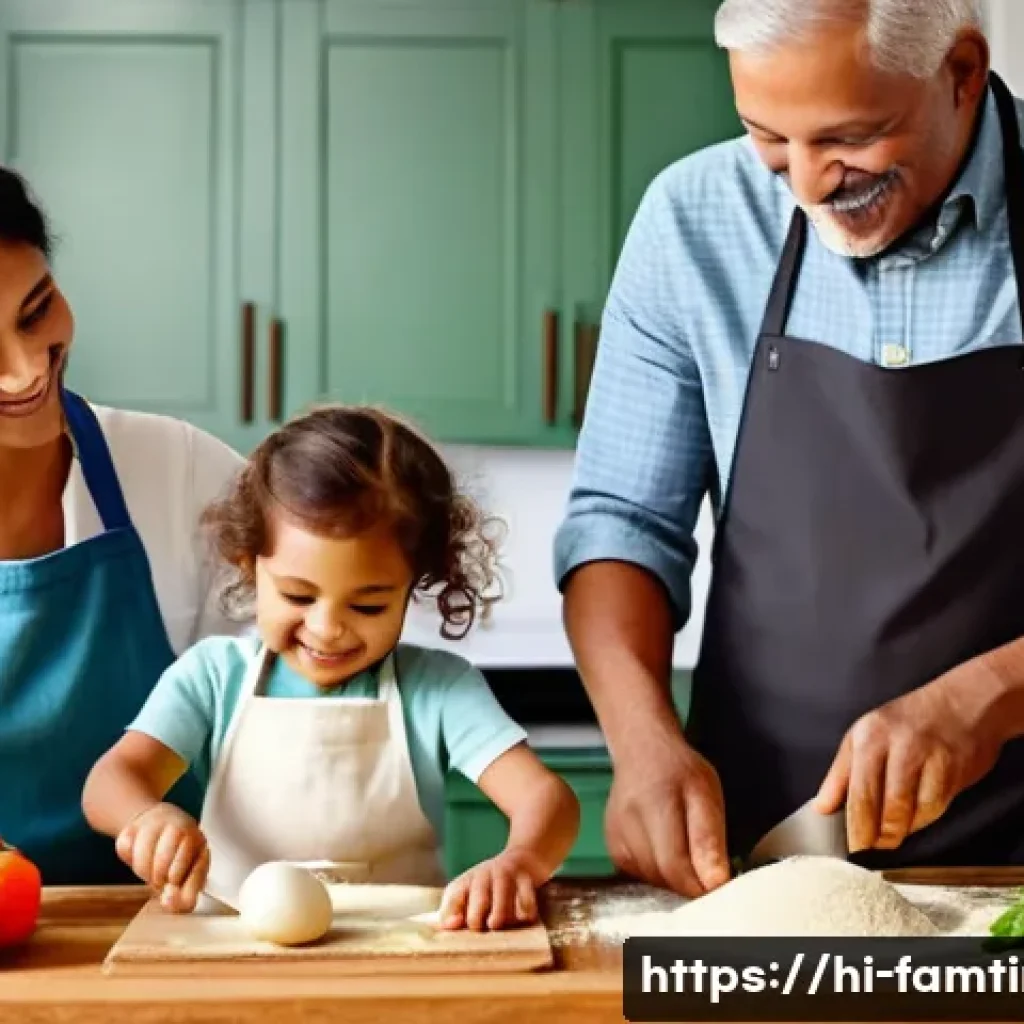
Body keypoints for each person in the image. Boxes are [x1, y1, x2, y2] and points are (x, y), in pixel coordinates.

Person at [554, 0, 1024, 896]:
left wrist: (987, 697)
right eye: (769, 140)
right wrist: (643, 742)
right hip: (763, 857)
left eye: (849, 137)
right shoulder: (691, 220)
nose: (807, 186)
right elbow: (620, 522)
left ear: (961, 71)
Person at [82, 405, 580, 931]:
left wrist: (519, 862)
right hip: (228, 948)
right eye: (298, 595)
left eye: (368, 606)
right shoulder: (212, 677)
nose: (327, 629)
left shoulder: (437, 689)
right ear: (249, 565)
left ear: (415, 584)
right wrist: (146, 817)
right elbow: (112, 779)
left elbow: (547, 800)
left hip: (401, 954)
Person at [0, 166, 246, 885]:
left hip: (169, 936)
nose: (23, 372)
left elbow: (296, 702)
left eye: (35, 311)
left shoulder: (184, 473)